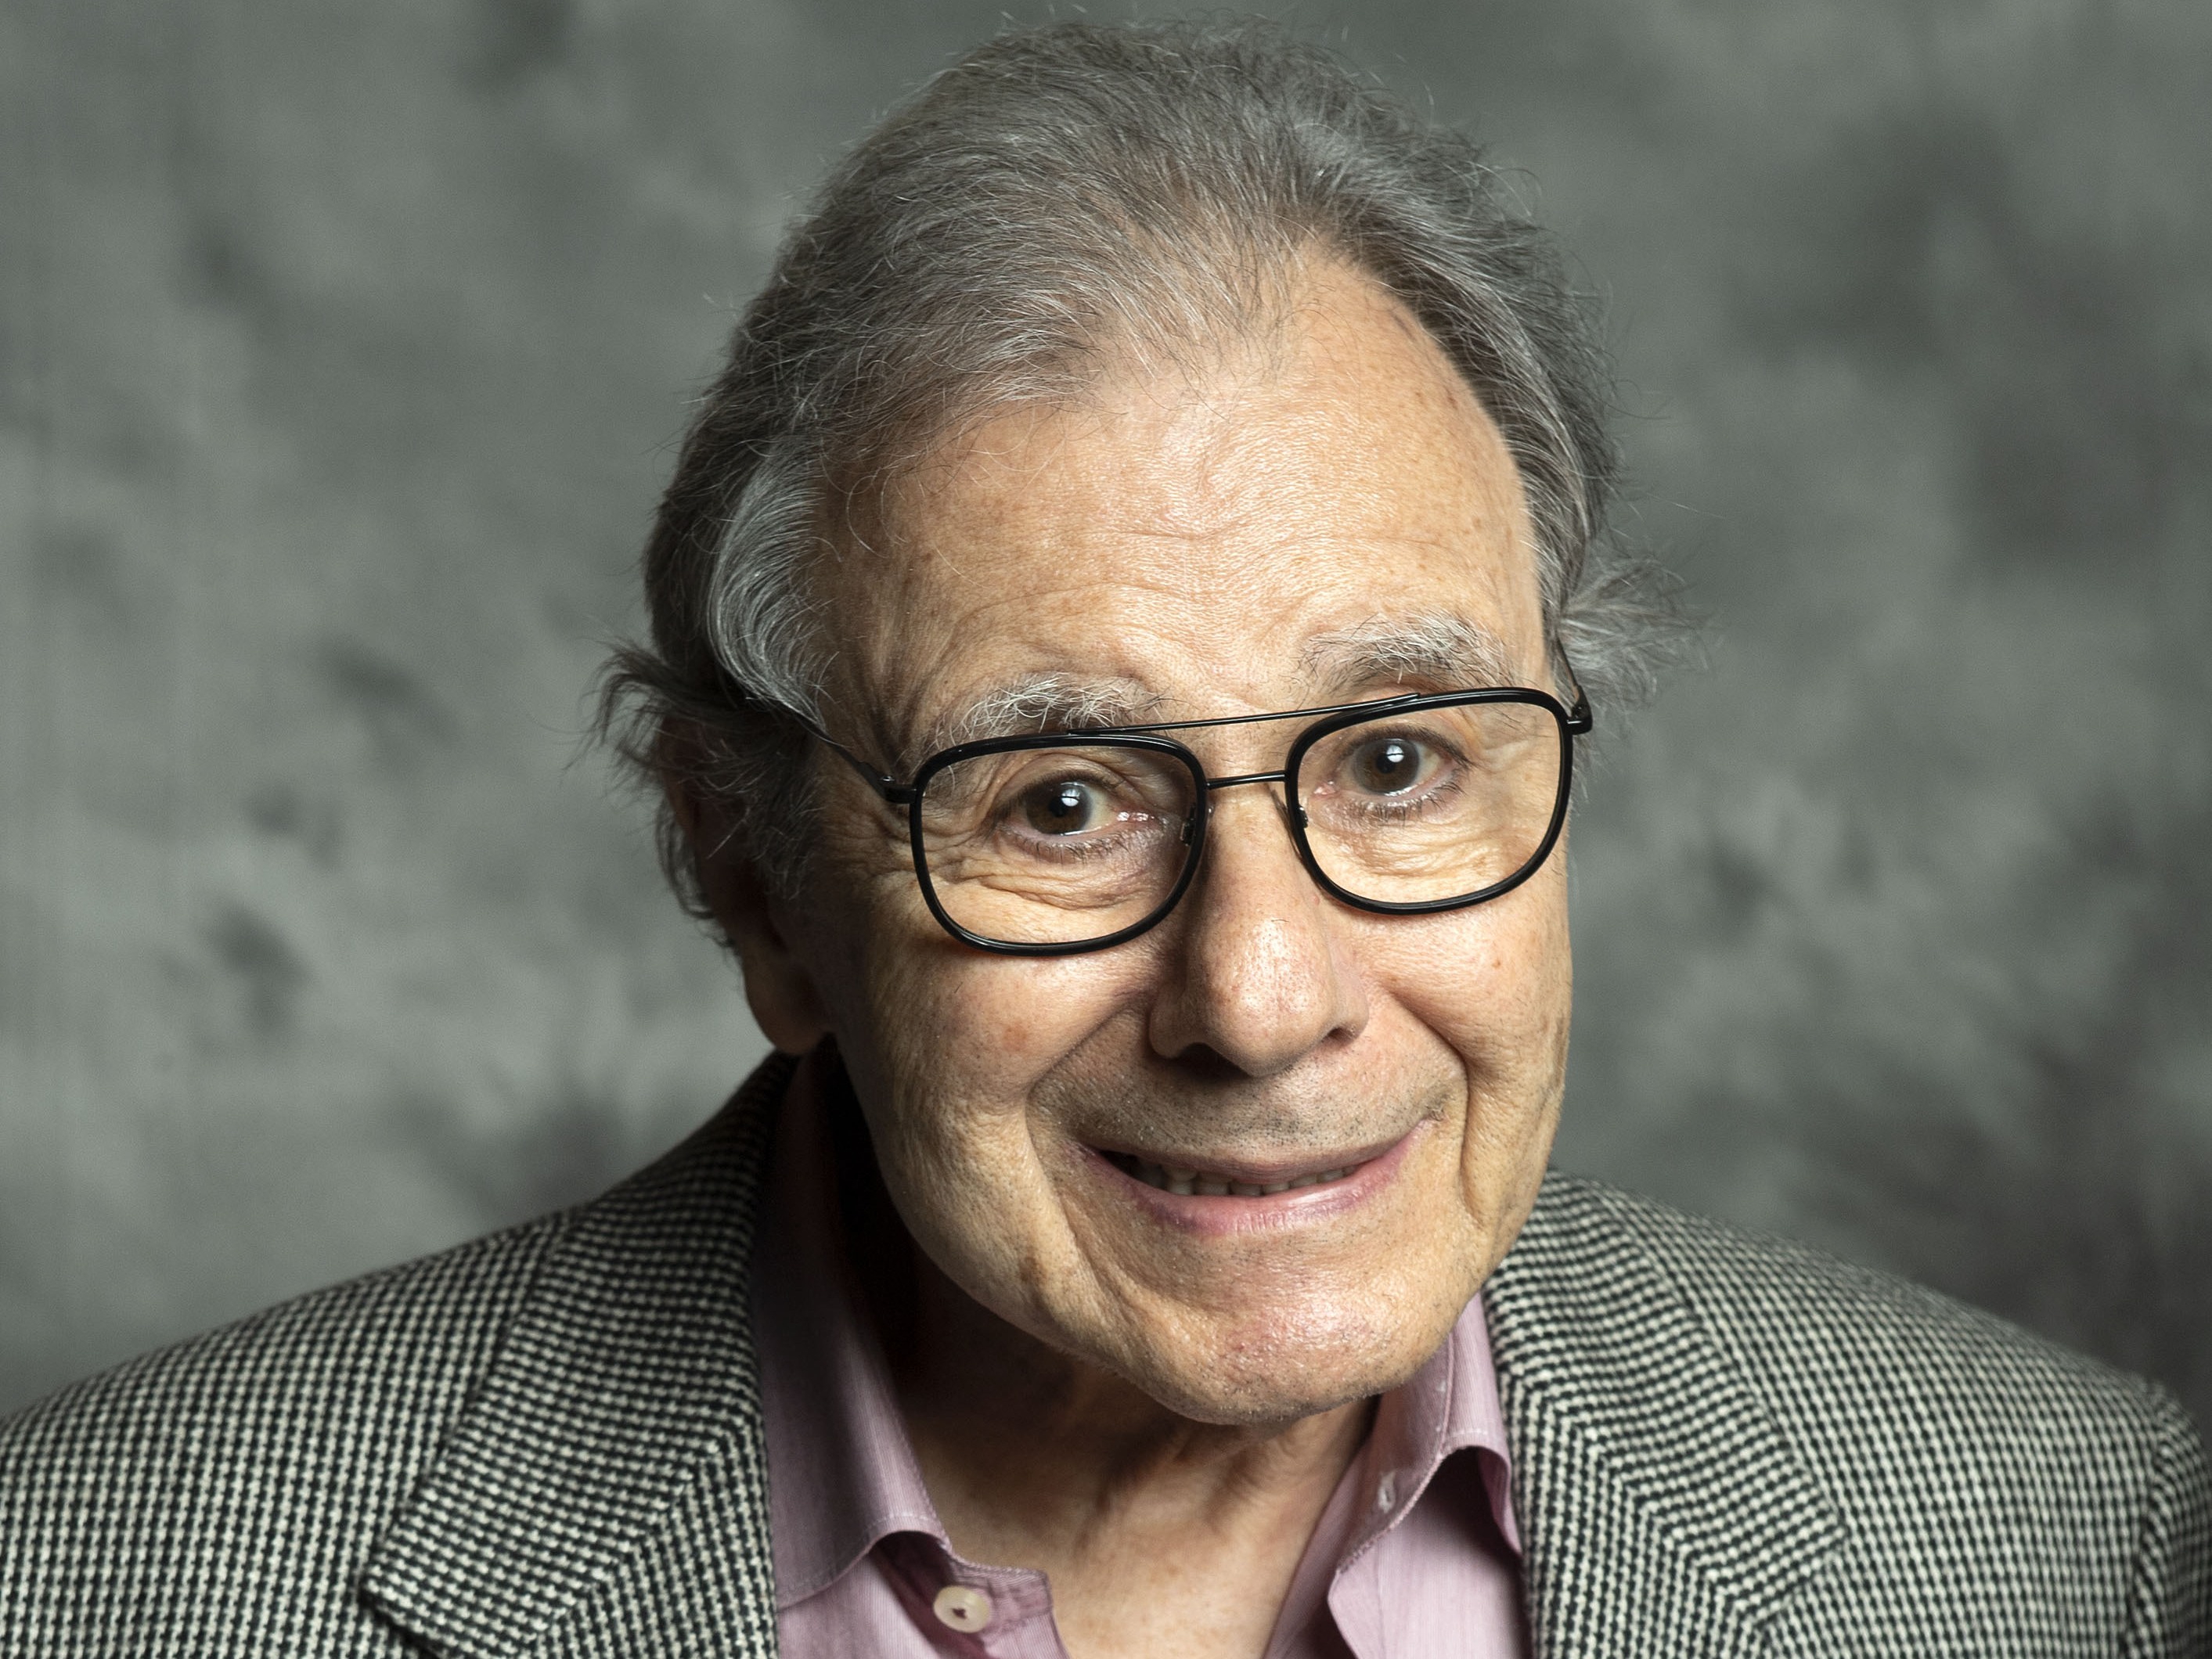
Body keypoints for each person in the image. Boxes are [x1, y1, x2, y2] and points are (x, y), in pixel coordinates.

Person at [4, 17, 2206, 1658]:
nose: (1257, 996)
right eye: (1058, 801)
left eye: (1398, 762)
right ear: (751, 875)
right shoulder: (107, 1589)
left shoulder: (2058, 1552)